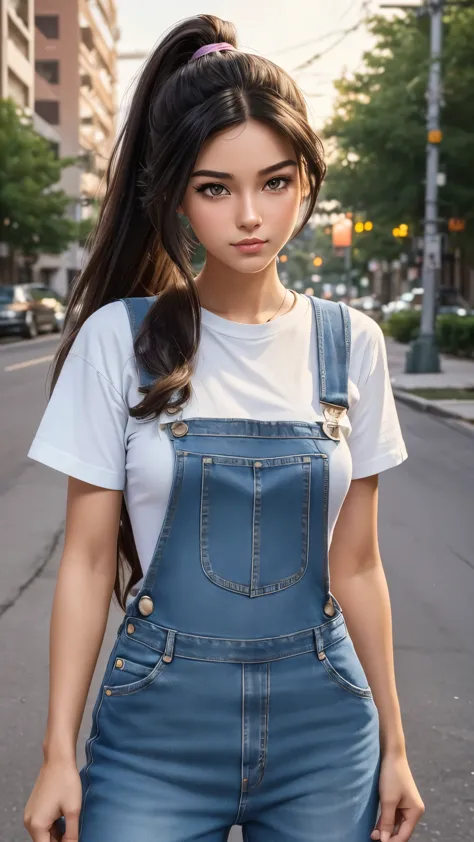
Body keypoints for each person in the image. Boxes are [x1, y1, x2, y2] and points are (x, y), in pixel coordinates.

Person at [23, 14, 424, 842]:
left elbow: (357, 564)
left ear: (307, 180)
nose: (251, 215)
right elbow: (90, 560)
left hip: (326, 732)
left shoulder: (352, 345)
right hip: (153, 736)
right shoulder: (121, 340)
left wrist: (395, 742)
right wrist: (58, 752)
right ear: (176, 193)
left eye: (275, 182)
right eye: (215, 188)